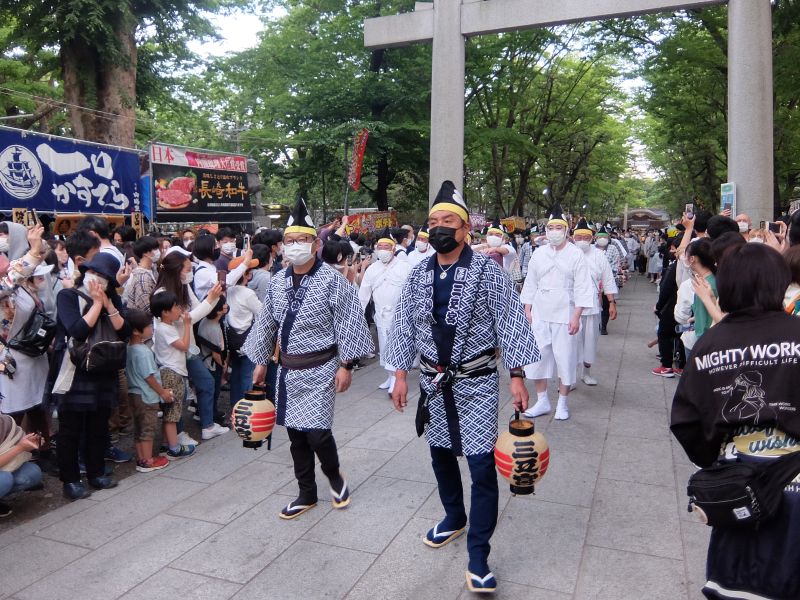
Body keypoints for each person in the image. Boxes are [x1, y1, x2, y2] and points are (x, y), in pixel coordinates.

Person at [387, 180, 539, 594]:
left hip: (476, 381)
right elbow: (403, 324)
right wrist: (400, 375)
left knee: (480, 465)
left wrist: (517, 375)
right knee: (439, 453)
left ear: (465, 229)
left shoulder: (489, 271)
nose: (438, 227)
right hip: (433, 380)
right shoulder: (418, 273)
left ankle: (479, 554)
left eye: (447, 221)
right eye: (433, 221)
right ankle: (454, 516)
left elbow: (510, 320)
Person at [670, 242, 800, 600]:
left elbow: (686, 419)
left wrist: (713, 456)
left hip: (738, 484)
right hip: (795, 480)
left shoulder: (712, 344)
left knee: (736, 585)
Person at [243, 198, 374, 520]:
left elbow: (349, 322)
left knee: (317, 432)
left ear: (316, 244)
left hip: (322, 366)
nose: (295, 246)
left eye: (302, 240)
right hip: (287, 368)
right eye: (289, 241)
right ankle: (306, 493)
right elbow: (267, 323)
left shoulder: (332, 280)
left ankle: (334, 475)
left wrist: (346, 365)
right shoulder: (278, 281)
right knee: (296, 435)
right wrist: (260, 361)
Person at [52, 253, 130, 499]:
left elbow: (125, 333)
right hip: (75, 370)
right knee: (70, 428)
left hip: (104, 368)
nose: (95, 278)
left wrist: (108, 305)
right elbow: (77, 330)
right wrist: (95, 305)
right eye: (92, 272)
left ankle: (96, 472)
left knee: (99, 425)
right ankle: (71, 479)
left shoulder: (113, 299)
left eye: (101, 276)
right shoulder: (68, 296)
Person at [521, 202, 594, 421]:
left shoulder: (575, 254)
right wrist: (527, 308)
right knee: (538, 358)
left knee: (565, 358)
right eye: (551, 228)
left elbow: (583, 286)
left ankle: (562, 402)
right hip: (540, 311)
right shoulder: (539, 253)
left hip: (565, 312)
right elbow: (530, 282)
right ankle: (542, 400)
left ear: (566, 230)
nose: (554, 231)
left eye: (558, 228)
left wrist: (577, 315)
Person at [154, 252, 227, 441]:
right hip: (173, 351)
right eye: (188, 269)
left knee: (206, 383)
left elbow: (197, 309)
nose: (191, 272)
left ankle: (207, 425)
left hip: (188, 347)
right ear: (177, 270)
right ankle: (177, 435)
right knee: (178, 393)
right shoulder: (162, 294)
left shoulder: (184, 286)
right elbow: (190, 318)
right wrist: (210, 299)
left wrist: (212, 299)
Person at [358, 228, 411, 393]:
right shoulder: (372, 269)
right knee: (384, 345)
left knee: (397, 345)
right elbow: (364, 293)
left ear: (393, 249)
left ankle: (397, 377)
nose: (382, 250)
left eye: (386, 247)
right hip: (381, 314)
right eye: (379, 247)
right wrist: (359, 314)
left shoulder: (404, 267)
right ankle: (389, 376)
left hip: (399, 315)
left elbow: (412, 291)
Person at [150, 290, 198, 459]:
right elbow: (184, 346)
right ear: (165, 312)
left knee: (170, 412)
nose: (179, 309)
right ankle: (174, 448)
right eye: (176, 307)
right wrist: (187, 325)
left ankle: (166, 445)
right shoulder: (165, 329)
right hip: (172, 372)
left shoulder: (164, 327)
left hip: (169, 371)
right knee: (172, 414)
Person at [572, 218, 617, 386]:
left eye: (586, 237)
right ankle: (569, 378)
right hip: (570, 306)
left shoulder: (599, 255)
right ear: (573, 238)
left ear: (592, 238)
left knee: (590, 342)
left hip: (592, 306)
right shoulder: (568, 253)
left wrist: (611, 302)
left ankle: (586, 373)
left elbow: (608, 278)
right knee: (570, 343)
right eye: (579, 237)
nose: (582, 240)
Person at [125, 309, 172, 472]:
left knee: (138, 428)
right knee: (148, 428)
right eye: (149, 326)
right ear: (136, 331)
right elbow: (149, 377)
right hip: (146, 396)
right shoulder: (143, 352)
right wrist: (162, 392)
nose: (152, 328)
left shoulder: (128, 348)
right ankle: (148, 461)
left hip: (134, 394)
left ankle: (141, 458)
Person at [225, 255, 261, 408]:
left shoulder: (228, 290)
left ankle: (235, 409)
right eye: (249, 271)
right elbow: (262, 312)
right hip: (247, 340)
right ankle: (246, 409)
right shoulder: (248, 293)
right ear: (245, 274)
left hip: (232, 339)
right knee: (247, 376)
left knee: (236, 375)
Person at [0, 416, 43, 517]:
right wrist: (19, 448)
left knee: (32, 473)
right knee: (4, 479)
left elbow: (12, 444)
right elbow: (17, 448)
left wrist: (31, 443)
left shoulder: (4, 421)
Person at [191, 234, 250, 301]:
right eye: (215, 245)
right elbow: (227, 281)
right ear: (206, 249)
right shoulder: (203, 272)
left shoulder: (211, 266)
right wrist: (245, 262)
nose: (218, 247)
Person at [684, 238, 717, 340]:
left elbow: (705, 322)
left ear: (692, 259)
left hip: (706, 338)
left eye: (686, 255)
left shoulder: (705, 285)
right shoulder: (713, 279)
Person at [124, 236, 160, 313]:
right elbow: (146, 306)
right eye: (155, 249)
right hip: (144, 318)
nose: (158, 251)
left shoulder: (152, 269)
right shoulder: (142, 277)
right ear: (146, 253)